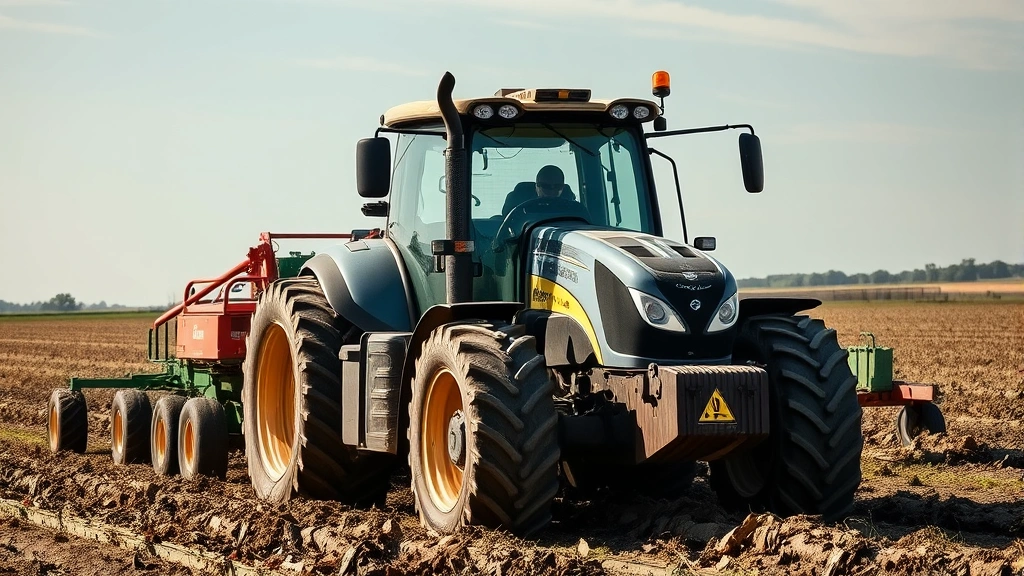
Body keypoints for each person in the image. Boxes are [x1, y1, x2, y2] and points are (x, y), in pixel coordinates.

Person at [501, 165, 577, 217]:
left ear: (563, 187)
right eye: (545, 186)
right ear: (536, 186)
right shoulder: (521, 212)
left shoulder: (574, 213)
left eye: (557, 186)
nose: (551, 191)